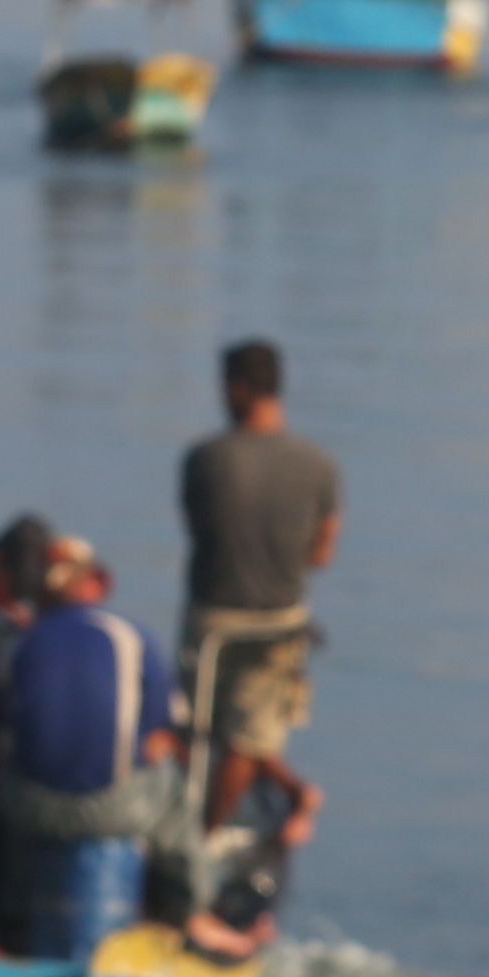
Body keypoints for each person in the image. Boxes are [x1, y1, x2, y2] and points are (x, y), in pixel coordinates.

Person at [177, 338, 338, 840]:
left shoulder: (205, 459)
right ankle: (283, 798)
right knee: (251, 734)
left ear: (237, 388)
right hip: (281, 621)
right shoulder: (320, 466)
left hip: (213, 621)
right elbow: (321, 554)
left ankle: (197, 838)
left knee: (199, 735)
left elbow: (200, 531)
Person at [0, 531, 181, 950]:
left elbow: (3, 729)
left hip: (32, 813)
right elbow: (157, 738)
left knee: (3, 772)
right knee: (169, 773)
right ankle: (187, 910)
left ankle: (9, 915)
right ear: (97, 583)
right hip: (111, 812)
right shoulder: (133, 637)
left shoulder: (16, 645)